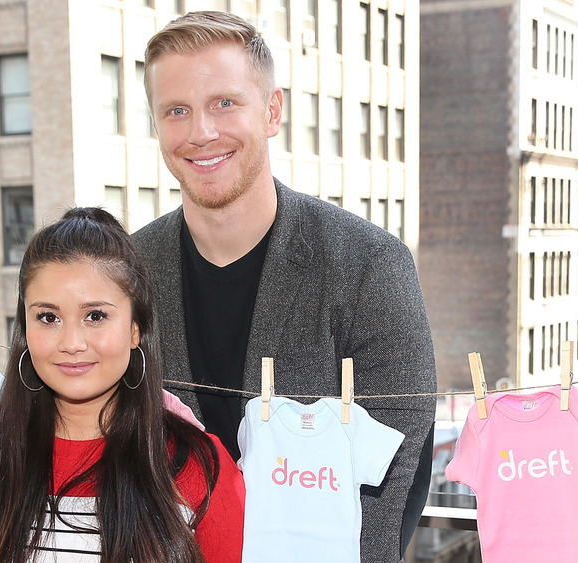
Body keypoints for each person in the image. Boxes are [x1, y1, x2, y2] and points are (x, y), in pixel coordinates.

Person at [135, 11, 437, 561]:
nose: (201, 132)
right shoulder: (126, 272)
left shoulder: (370, 266)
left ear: (272, 111)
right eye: (177, 111)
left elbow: (397, 478)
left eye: (224, 103)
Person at [0, 208, 244, 562]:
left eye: (95, 316)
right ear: (25, 329)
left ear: (135, 330)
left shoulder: (199, 465)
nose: (72, 342)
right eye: (48, 317)